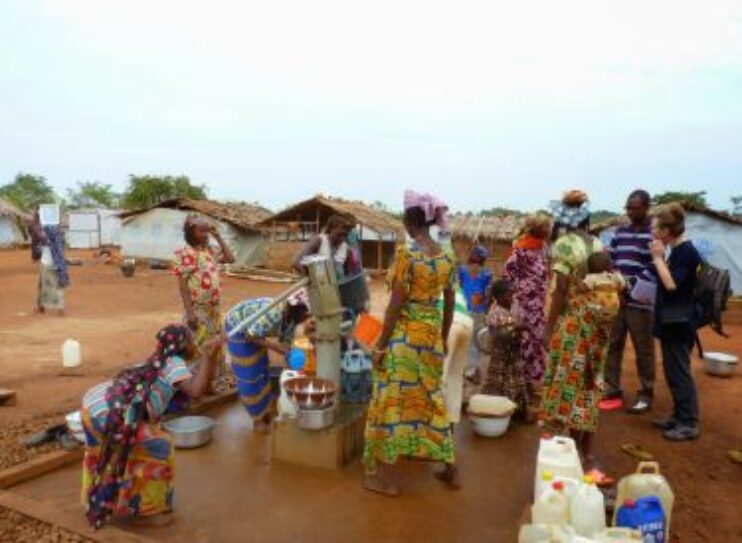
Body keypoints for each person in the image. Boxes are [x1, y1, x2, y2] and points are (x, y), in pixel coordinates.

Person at [80, 324, 224, 529]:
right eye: (192, 341)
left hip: (91, 407)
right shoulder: (173, 362)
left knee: (100, 453)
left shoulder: (155, 361)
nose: (195, 345)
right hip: (109, 416)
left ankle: (94, 501)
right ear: (183, 345)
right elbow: (196, 390)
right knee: (161, 447)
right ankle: (148, 512)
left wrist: (209, 359)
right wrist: (209, 357)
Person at [363, 190, 457, 496]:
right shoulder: (446, 256)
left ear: (408, 221)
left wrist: (379, 346)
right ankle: (448, 468)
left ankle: (380, 477)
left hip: (404, 338)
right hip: (430, 336)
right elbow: (450, 301)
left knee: (390, 401)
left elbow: (395, 306)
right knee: (431, 398)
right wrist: (441, 339)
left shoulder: (407, 254)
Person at [539, 190, 611, 480]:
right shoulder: (597, 242)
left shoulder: (564, 245)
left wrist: (547, 328)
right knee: (590, 383)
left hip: (573, 326)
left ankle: (559, 449)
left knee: (564, 381)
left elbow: (559, 293)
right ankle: (587, 451)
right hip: (597, 326)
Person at [650, 203, 702, 441]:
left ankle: (688, 422)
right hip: (672, 321)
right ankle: (678, 416)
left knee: (680, 372)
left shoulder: (686, 253)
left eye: (655, 226)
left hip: (679, 324)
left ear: (666, 232)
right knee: (672, 371)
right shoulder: (678, 251)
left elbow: (672, 285)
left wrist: (658, 258)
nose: (652, 230)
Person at [224, 291, 312, 433]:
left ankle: (264, 411)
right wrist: (276, 347)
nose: (308, 318)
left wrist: (294, 371)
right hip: (238, 327)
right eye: (306, 315)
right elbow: (249, 335)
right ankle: (257, 420)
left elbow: (287, 346)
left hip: (255, 331)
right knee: (250, 375)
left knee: (262, 368)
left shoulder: (291, 318)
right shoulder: (274, 313)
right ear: (297, 312)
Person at [603, 190, 657, 414]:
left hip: (640, 302)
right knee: (613, 345)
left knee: (643, 347)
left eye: (634, 207)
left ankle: (646, 392)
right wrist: (617, 285)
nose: (630, 211)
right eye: (627, 207)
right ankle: (612, 388)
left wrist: (629, 289)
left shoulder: (654, 233)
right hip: (618, 299)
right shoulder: (620, 231)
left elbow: (655, 265)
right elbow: (612, 260)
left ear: (646, 207)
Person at [174, 215, 235, 390]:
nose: (205, 234)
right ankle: (196, 385)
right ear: (191, 232)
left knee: (215, 345)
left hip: (213, 310)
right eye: (202, 231)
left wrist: (218, 236)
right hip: (197, 310)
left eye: (207, 230)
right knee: (199, 347)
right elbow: (183, 288)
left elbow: (230, 259)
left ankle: (211, 382)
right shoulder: (183, 255)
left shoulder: (209, 251)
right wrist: (190, 312)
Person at [503, 213, 552, 399]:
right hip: (522, 306)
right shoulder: (520, 249)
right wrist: (515, 300)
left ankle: (529, 387)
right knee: (523, 345)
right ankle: (520, 389)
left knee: (534, 345)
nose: (549, 231)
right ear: (539, 229)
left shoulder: (542, 248)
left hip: (537, 307)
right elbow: (508, 277)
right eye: (547, 228)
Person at [481, 280, 529, 420]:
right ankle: (500, 413)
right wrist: (516, 329)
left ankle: (514, 412)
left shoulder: (506, 312)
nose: (512, 298)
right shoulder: (496, 313)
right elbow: (497, 334)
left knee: (515, 384)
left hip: (512, 357)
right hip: (500, 357)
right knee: (500, 385)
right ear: (500, 297)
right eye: (509, 295)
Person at [457, 245, 493, 382]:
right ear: (484, 259)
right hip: (478, 309)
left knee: (461, 338)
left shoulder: (462, 270)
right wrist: (487, 308)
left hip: (462, 308)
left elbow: (458, 286)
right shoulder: (486, 273)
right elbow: (488, 294)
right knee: (474, 341)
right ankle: (470, 370)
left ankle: (461, 368)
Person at [28, 207, 69, 316]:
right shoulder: (58, 230)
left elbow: (38, 235)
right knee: (55, 284)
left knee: (45, 285)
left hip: (48, 262)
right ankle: (53, 307)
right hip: (59, 262)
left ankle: (47, 307)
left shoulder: (44, 230)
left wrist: (35, 220)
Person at [293, 214, 358, 279]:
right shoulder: (319, 241)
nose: (343, 237)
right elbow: (297, 262)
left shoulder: (347, 250)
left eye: (347, 232)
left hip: (338, 288)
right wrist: (311, 278)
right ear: (332, 228)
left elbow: (349, 275)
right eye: (339, 234)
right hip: (315, 288)